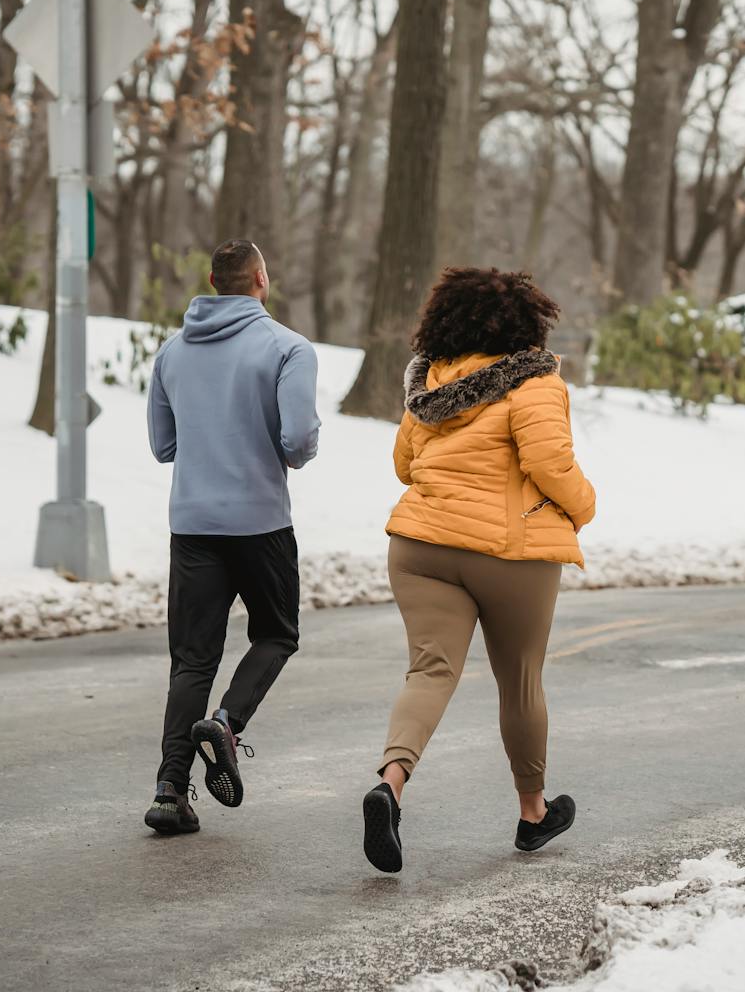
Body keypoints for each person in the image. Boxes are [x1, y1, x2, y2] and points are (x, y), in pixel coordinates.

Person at [360, 268, 596, 873]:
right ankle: (533, 812)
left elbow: (404, 464)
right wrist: (584, 507)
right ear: (526, 322)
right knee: (519, 679)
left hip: (420, 544)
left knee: (430, 670)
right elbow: (548, 462)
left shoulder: (430, 382)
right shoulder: (535, 381)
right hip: (509, 554)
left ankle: (390, 784)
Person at [142, 239, 320, 835]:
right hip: (260, 523)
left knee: (191, 660)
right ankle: (227, 721)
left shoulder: (171, 353)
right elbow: (298, 443)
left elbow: (163, 446)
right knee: (276, 632)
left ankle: (170, 789)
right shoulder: (288, 349)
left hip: (191, 525)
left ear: (213, 282)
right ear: (261, 280)